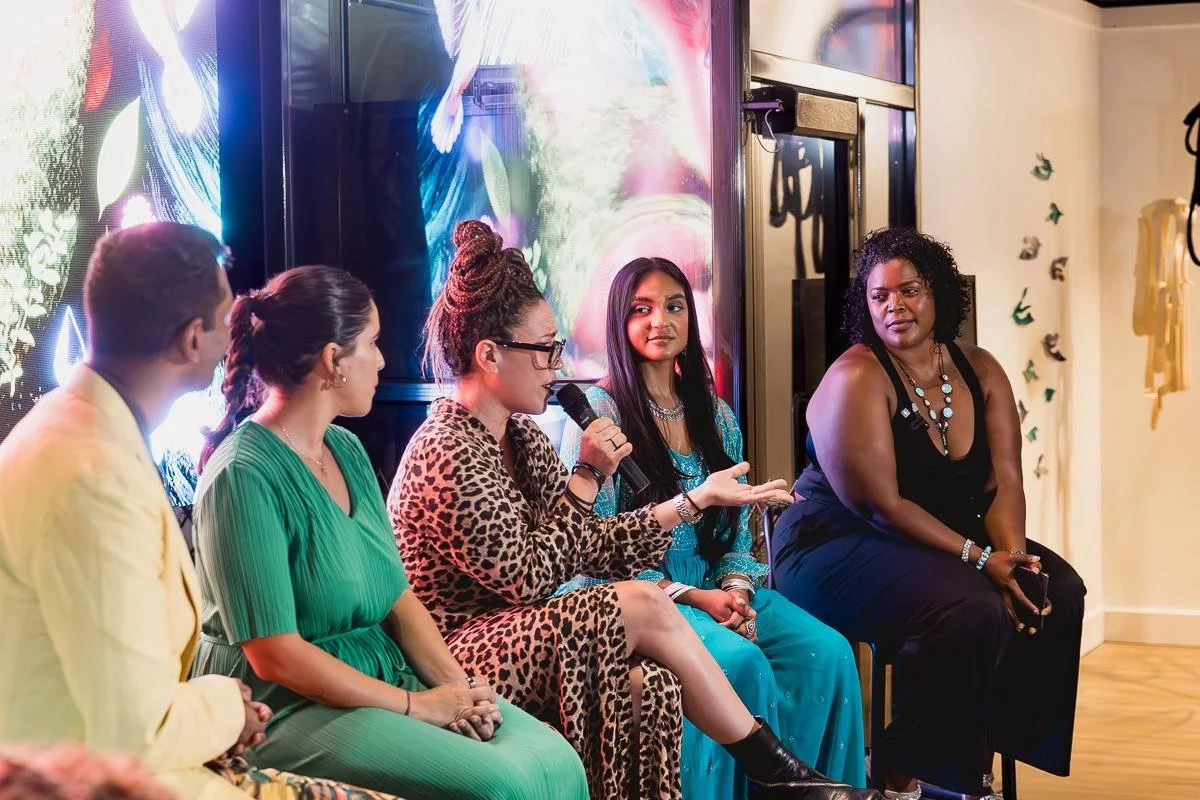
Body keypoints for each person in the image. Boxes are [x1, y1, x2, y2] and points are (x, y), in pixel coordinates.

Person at [388, 219, 880, 800]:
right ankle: (775, 772)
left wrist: (697, 503)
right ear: (490, 355)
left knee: (819, 650)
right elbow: (530, 576)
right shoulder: (447, 447)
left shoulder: (522, 438)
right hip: (462, 644)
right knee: (662, 612)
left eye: (557, 346)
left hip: (535, 622)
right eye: (544, 349)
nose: (556, 362)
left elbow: (597, 539)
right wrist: (592, 474)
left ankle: (792, 779)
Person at [0, 223, 391, 800]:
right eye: (226, 314)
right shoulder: (94, 478)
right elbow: (134, 731)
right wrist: (225, 709)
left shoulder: (80, 425)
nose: (239, 330)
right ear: (190, 341)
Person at [190, 265, 586, 800]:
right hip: (280, 708)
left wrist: (458, 688)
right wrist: (415, 705)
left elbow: (397, 597)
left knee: (556, 761)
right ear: (334, 361)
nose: (382, 360)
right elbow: (276, 655)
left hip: (381, 675)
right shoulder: (243, 474)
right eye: (372, 344)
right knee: (501, 784)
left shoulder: (347, 452)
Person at [770, 228, 1085, 799]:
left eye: (909, 290)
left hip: (926, 540)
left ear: (937, 292)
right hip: (833, 543)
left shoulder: (980, 369)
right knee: (967, 610)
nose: (895, 306)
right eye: (879, 296)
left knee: (1054, 589)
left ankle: (973, 766)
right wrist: (979, 557)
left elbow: (1004, 480)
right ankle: (898, 777)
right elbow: (880, 505)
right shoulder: (857, 376)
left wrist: (1011, 559)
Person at [557, 256, 868, 798]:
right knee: (741, 665)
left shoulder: (716, 413)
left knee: (830, 653)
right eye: (642, 309)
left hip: (718, 587)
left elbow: (735, 538)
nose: (661, 322)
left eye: (674, 306)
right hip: (643, 595)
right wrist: (697, 598)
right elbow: (596, 551)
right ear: (618, 321)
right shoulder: (598, 414)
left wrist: (735, 591)